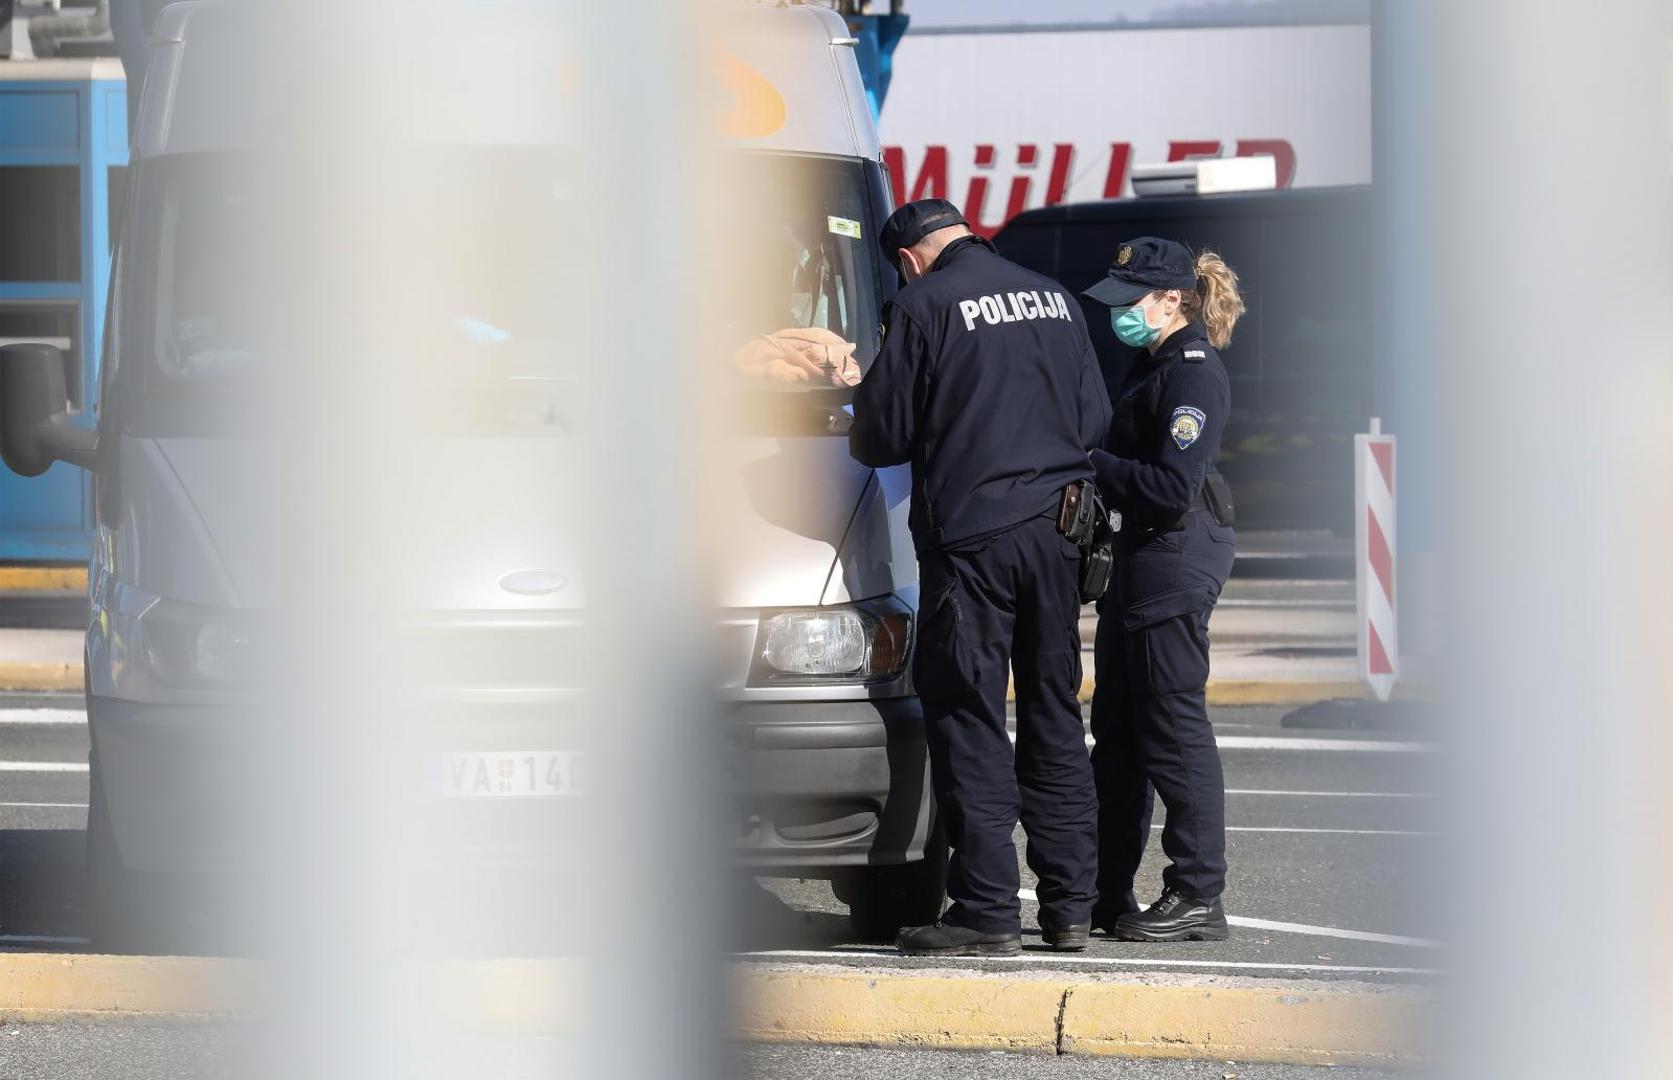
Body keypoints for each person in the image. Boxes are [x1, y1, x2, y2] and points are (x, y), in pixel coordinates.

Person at [849, 199, 1111, 956]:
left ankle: (988, 909)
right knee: (1055, 714)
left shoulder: (923, 305)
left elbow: (881, 435)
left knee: (968, 715)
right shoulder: (1052, 296)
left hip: (973, 543)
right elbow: (1092, 419)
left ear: (908, 259)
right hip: (1059, 534)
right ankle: (1068, 909)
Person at [1079, 236, 1244, 942]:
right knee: (1118, 731)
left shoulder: (1192, 371)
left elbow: (1172, 485)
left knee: (1171, 727)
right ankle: (1105, 891)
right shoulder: (1151, 364)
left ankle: (1197, 893)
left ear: (1172, 299)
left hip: (1174, 553)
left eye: (1132, 300)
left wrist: (1087, 461)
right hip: (1142, 557)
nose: (1118, 313)